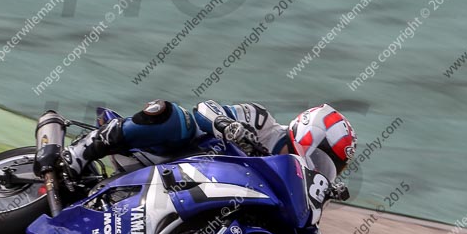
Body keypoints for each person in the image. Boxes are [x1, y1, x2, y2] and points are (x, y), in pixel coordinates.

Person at [56, 99, 357, 185]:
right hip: (174, 157)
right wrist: (227, 124)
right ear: (309, 134)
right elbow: (204, 109)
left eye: (331, 167)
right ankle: (82, 150)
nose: (321, 168)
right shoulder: (262, 121)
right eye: (322, 158)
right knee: (176, 118)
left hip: (203, 193)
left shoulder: (300, 184)